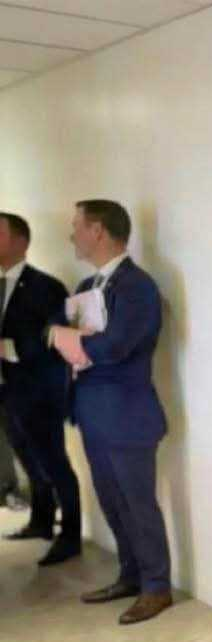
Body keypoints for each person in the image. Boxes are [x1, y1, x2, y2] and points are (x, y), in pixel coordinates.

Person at [49, 200, 173, 623]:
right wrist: (72, 339)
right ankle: (131, 575)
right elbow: (73, 339)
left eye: (77, 225)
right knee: (112, 501)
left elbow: (115, 346)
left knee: (138, 504)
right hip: (92, 411)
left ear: (98, 230)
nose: (72, 234)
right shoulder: (88, 283)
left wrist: (72, 340)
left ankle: (156, 586)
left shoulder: (137, 286)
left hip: (127, 414)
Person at [0, 212, 80, 563]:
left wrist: (8, 348)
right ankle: (41, 520)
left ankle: (71, 535)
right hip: (7, 392)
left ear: (21, 240)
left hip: (39, 393)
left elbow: (54, 338)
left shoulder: (46, 287)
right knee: (27, 459)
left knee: (55, 463)